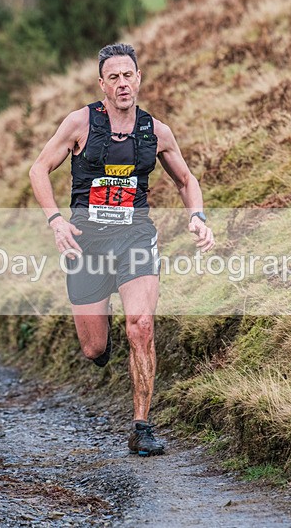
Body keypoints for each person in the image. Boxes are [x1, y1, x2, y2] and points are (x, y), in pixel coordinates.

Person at [29, 43, 215, 456]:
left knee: (141, 326)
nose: (122, 83)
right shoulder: (80, 124)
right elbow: (38, 168)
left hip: (135, 238)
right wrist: (56, 221)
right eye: (113, 77)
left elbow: (186, 180)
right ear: (102, 85)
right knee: (94, 348)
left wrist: (198, 216)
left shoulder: (156, 132)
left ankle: (142, 427)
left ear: (139, 78)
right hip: (87, 243)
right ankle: (104, 336)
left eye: (128, 75)